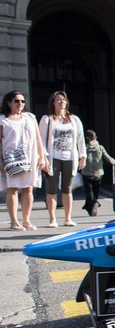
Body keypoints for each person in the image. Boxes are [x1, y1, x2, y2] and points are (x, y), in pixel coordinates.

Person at [0, 91, 48, 230]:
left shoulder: (29, 118)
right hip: (11, 158)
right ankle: (14, 221)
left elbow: (38, 138)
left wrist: (42, 156)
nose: (20, 104)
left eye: (22, 101)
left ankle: (26, 220)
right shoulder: (3, 120)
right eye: (16, 101)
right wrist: (0, 161)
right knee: (12, 189)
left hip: (30, 156)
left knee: (28, 188)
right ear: (9, 103)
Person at [39, 91, 86, 227]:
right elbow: (41, 140)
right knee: (52, 189)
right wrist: (44, 158)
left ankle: (67, 218)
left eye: (63, 100)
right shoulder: (47, 119)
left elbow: (80, 138)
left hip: (70, 157)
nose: (61, 102)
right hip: (53, 158)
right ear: (53, 102)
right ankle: (52, 219)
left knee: (67, 189)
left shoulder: (74, 119)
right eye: (58, 100)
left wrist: (83, 156)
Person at [80, 129, 115, 216]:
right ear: (95, 137)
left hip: (86, 172)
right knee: (96, 190)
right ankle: (94, 202)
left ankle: (92, 204)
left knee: (89, 191)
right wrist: (113, 161)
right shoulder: (100, 147)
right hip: (99, 173)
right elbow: (108, 158)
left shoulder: (83, 148)